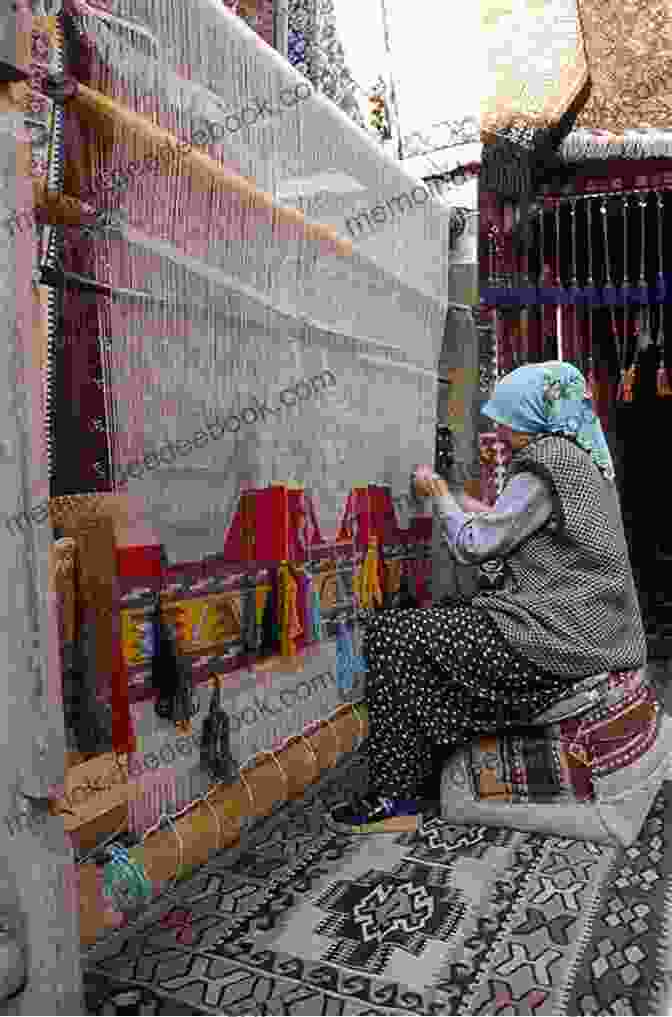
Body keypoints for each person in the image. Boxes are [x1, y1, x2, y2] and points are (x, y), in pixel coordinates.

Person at [330, 361, 647, 832]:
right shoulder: (581, 459)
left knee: (392, 635)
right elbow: (510, 522)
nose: (499, 428)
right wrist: (455, 497)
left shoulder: (547, 460)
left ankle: (395, 799)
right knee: (440, 625)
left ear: (535, 415)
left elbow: (474, 544)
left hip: (561, 639)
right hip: (593, 632)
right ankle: (424, 761)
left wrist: (437, 492)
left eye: (508, 417)